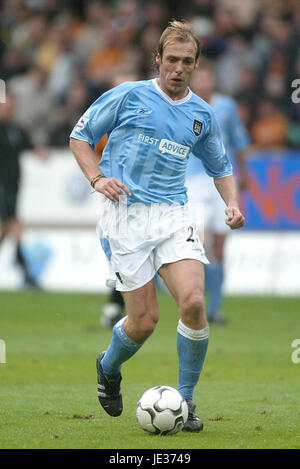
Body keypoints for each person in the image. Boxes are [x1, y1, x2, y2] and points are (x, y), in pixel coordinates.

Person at [69, 20, 245, 432]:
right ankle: (108, 366)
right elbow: (79, 137)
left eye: (187, 62)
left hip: (173, 214)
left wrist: (232, 203)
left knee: (194, 304)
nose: (178, 69)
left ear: (197, 64)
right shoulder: (128, 95)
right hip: (124, 215)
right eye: (171, 60)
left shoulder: (203, 114)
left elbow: (221, 166)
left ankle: (185, 401)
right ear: (158, 60)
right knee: (144, 322)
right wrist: (97, 178)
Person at [185, 61, 251, 324]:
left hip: (223, 179)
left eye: (206, 78)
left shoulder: (226, 106)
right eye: (198, 79)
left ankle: (215, 308)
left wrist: (243, 173)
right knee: (199, 243)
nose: (202, 83)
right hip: (194, 181)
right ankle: (196, 303)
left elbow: (238, 140)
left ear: (212, 81)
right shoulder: (184, 105)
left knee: (221, 247)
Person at [0, 92, 45, 288]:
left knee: (9, 227)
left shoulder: (16, 130)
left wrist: (39, 153)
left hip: (13, 185)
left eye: (11, 107)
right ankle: (27, 273)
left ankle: (26, 272)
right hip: (1, 186)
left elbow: (29, 146)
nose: (8, 110)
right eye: (5, 107)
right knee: (12, 226)